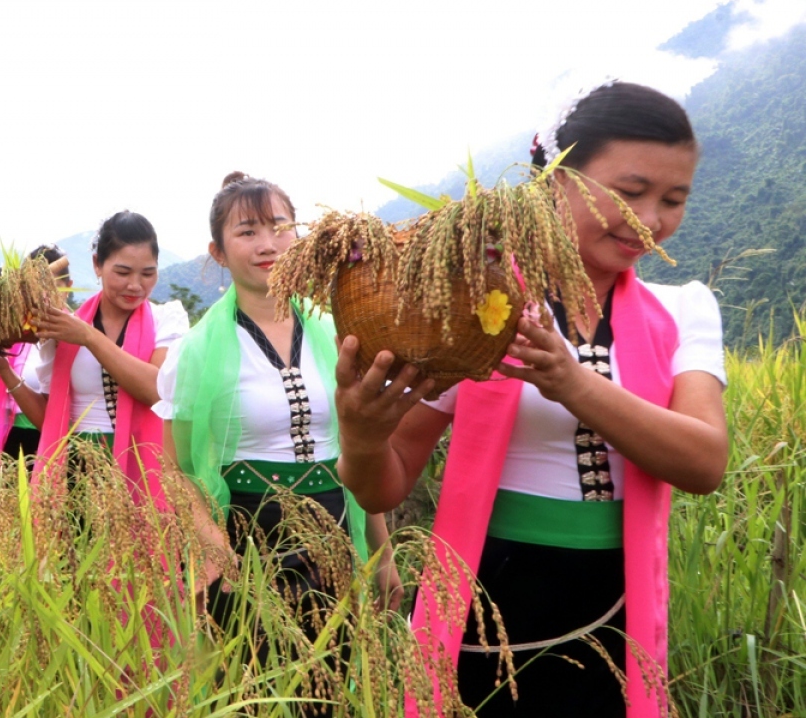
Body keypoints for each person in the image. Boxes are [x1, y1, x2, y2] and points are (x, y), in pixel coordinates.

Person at [335, 82, 728, 718]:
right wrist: (361, 437)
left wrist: (572, 383)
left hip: (616, 608)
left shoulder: (685, 309)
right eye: (629, 193)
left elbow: (704, 462)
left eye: (672, 199)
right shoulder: (477, 311)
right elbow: (385, 484)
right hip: (485, 601)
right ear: (556, 182)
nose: (649, 220)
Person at [155, 173, 401, 716]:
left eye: (279, 226)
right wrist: (211, 549)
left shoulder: (341, 333)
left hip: (338, 528)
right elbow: (174, 470)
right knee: (255, 689)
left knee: (335, 688)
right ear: (218, 252)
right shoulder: (195, 352)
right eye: (247, 231)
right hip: (247, 537)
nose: (267, 244)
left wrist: (381, 552)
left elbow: (360, 450)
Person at [25, 211, 189, 505]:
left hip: (139, 468)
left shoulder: (167, 320)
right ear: (97, 265)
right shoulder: (65, 328)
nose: (136, 285)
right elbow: (49, 415)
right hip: (74, 470)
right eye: (123, 273)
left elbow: (157, 390)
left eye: (148, 273)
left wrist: (89, 337)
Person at [0, 246, 71, 474]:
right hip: (11, 445)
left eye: (53, 286)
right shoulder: (9, 340)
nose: (44, 296)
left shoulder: (79, 338)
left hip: (64, 449)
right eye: (35, 288)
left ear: (68, 288)